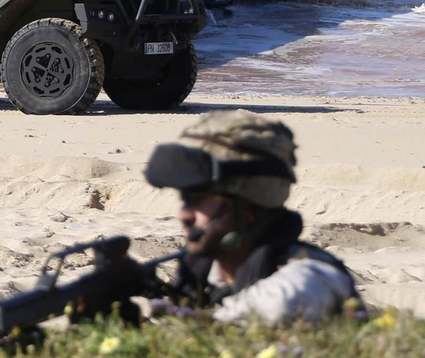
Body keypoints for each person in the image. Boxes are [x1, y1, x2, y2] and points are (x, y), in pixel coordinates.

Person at [143, 111, 359, 324]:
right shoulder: (207, 275)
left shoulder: (310, 278)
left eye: (199, 200)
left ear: (248, 208)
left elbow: (273, 307)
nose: (184, 215)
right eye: (185, 199)